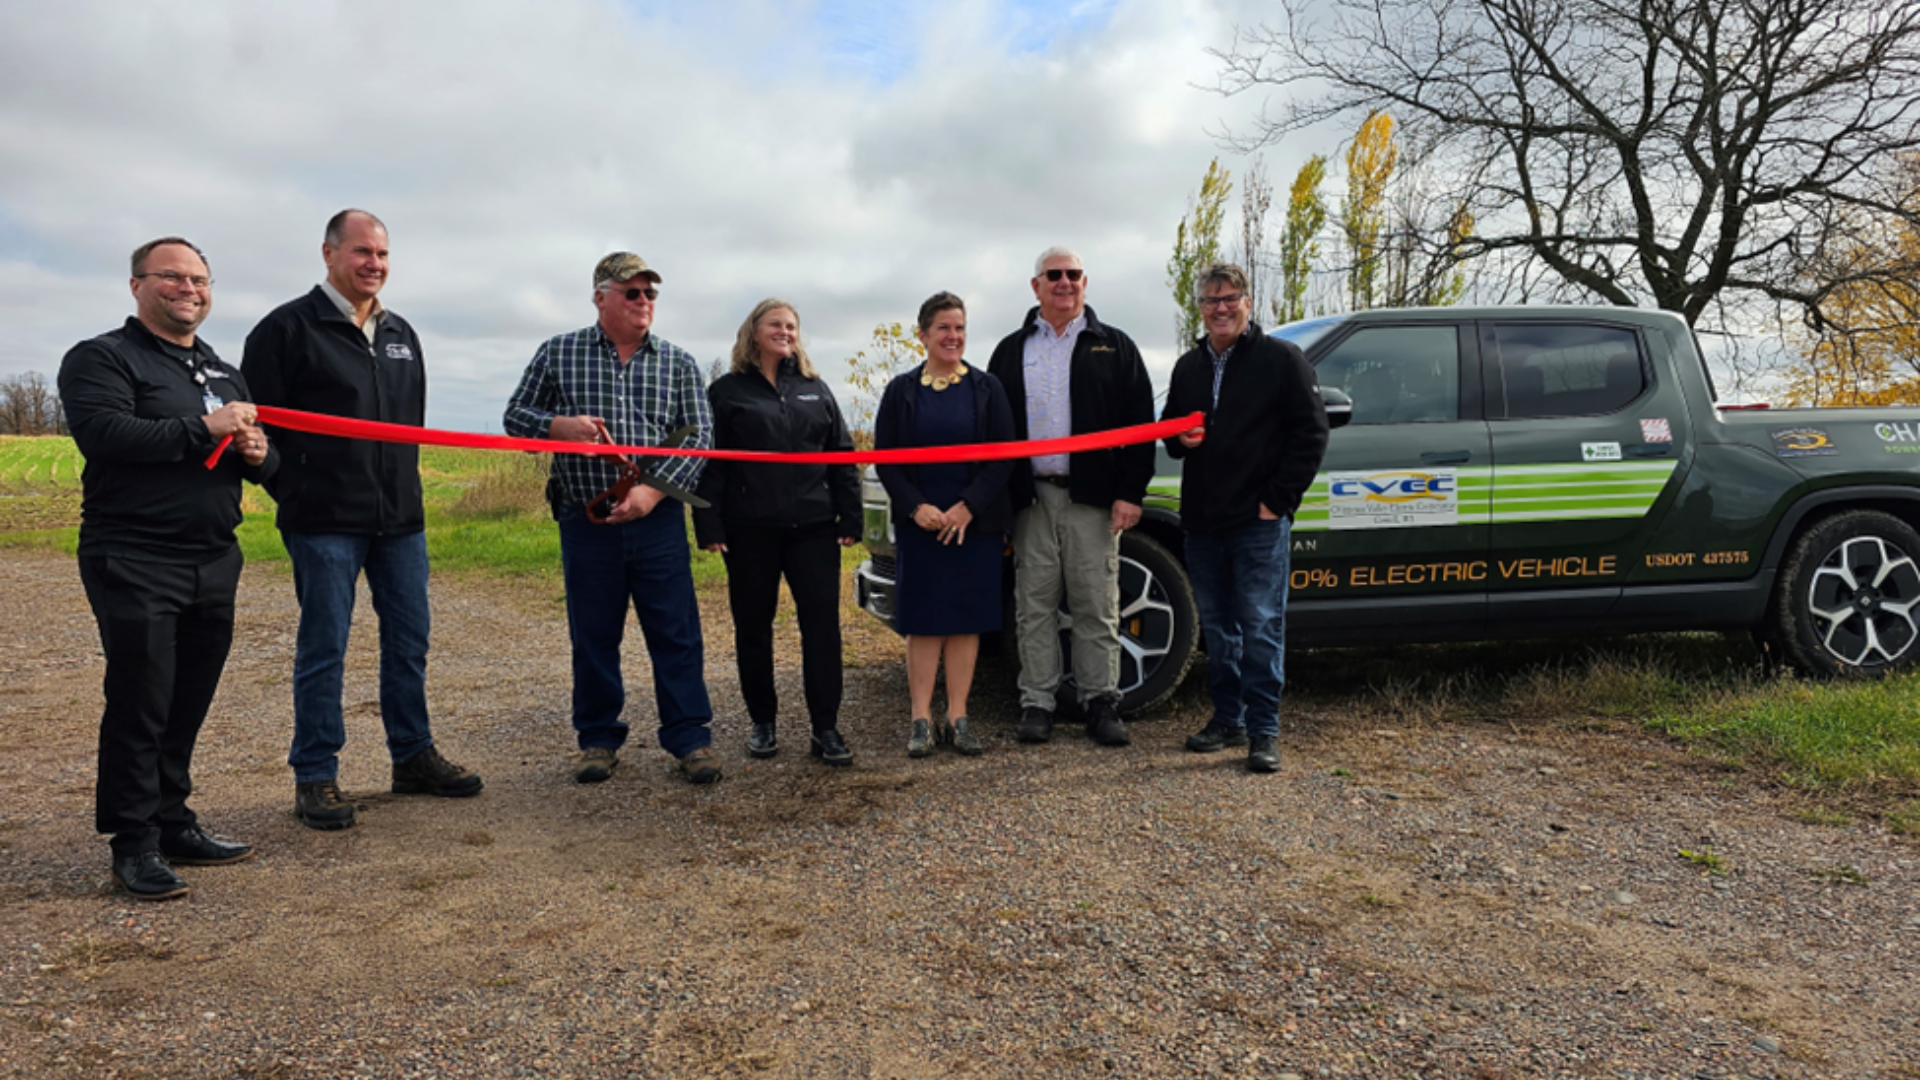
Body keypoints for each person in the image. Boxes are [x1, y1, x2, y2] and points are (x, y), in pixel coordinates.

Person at [243, 209, 483, 831]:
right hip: (323, 521)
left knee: (410, 641)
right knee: (325, 645)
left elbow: (408, 426)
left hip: (400, 520)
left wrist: (405, 489)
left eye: (381, 253)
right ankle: (315, 774)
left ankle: (412, 756)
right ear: (328, 253)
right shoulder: (286, 329)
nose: (373, 263)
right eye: (361, 252)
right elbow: (256, 428)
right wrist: (288, 488)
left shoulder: (400, 331)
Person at [58, 237, 276, 899]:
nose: (190, 289)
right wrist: (205, 429)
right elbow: (107, 436)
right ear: (137, 286)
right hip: (133, 556)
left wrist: (258, 452)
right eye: (173, 277)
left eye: (201, 280)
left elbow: (262, 469)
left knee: (187, 699)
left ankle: (173, 819)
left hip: (213, 557)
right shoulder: (102, 358)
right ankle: (134, 844)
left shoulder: (219, 369)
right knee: (140, 701)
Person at [503, 253, 721, 785]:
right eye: (632, 293)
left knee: (676, 632)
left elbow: (699, 438)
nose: (643, 302)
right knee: (594, 634)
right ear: (601, 297)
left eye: (650, 294)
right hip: (587, 520)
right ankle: (597, 739)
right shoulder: (558, 353)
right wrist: (558, 426)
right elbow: (515, 418)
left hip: (658, 519)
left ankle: (690, 740)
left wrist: (650, 492)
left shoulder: (679, 362)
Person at [1161, 264, 1329, 773]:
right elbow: (1171, 434)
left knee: (1260, 625)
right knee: (1219, 627)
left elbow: (1312, 433)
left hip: (1257, 522)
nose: (1221, 308)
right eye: (1211, 301)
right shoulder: (1189, 367)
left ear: (1248, 303)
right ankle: (1227, 719)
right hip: (1203, 523)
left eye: (1230, 298)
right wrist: (1179, 438)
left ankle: (1264, 731)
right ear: (1201, 309)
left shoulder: (1282, 359)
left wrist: (1277, 501)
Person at [986, 246, 1155, 747]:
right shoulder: (1011, 350)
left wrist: (1129, 493)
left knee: (1096, 605)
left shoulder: (1116, 346)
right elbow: (994, 433)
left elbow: (1141, 427)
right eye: (1053, 275)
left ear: (1086, 282)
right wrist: (1000, 504)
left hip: (1095, 501)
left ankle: (1100, 702)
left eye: (1073, 274)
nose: (1064, 282)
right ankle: (1037, 703)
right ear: (1035, 286)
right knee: (1032, 606)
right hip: (1031, 499)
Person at [695, 300, 861, 766]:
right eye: (775, 324)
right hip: (750, 531)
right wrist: (708, 522)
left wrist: (850, 517)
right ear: (753, 331)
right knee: (753, 627)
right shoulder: (726, 392)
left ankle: (825, 727)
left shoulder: (814, 388)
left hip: (813, 529)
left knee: (822, 629)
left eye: (791, 326)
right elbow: (712, 464)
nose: (784, 332)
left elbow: (841, 454)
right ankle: (762, 721)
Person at [874, 292, 1016, 757]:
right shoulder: (900, 391)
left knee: (965, 622)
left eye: (959, 328)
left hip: (972, 526)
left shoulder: (987, 388)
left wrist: (967, 508)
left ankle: (958, 716)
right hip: (921, 526)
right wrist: (917, 508)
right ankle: (921, 719)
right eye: (943, 328)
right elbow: (887, 461)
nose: (953, 336)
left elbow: (1002, 458)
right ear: (923, 335)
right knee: (925, 623)